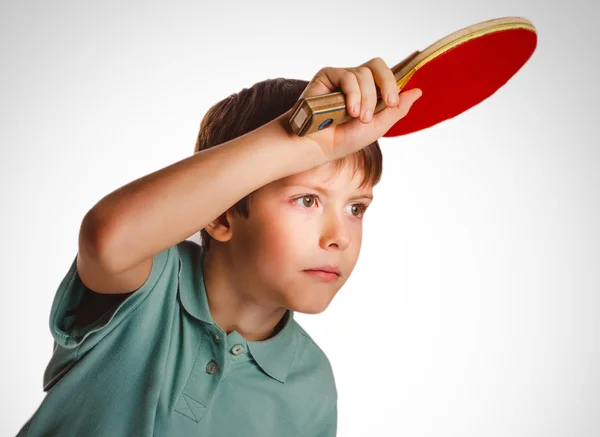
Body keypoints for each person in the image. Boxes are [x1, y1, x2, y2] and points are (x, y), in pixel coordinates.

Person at [16, 57, 422, 437]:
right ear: (223, 214)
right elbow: (106, 239)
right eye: (307, 200)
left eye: (356, 207)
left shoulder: (313, 386)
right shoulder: (148, 283)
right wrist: (297, 141)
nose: (340, 237)